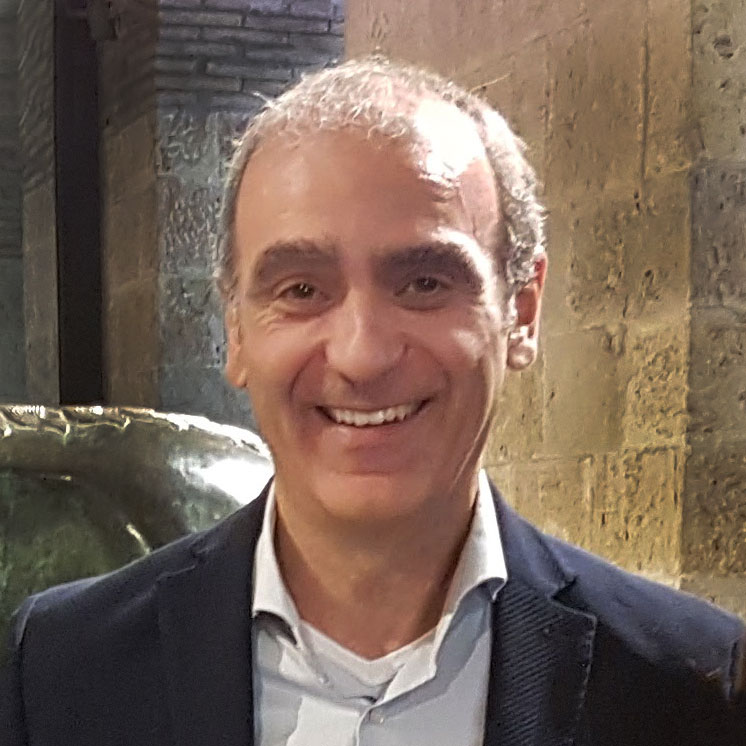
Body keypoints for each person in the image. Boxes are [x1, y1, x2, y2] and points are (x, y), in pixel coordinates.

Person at [1, 56, 744, 746]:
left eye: (425, 283)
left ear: (521, 310)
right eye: (301, 289)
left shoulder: (690, 688)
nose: (362, 355)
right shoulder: (63, 671)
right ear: (235, 329)